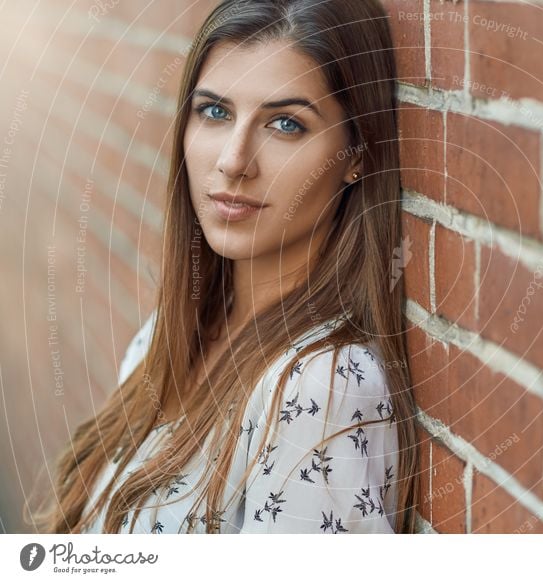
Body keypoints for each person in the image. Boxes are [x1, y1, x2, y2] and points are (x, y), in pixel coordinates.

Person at [29, 0, 418, 534]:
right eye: (215, 112)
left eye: (286, 124)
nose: (234, 160)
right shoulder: (171, 336)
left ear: (356, 155)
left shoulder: (319, 388)